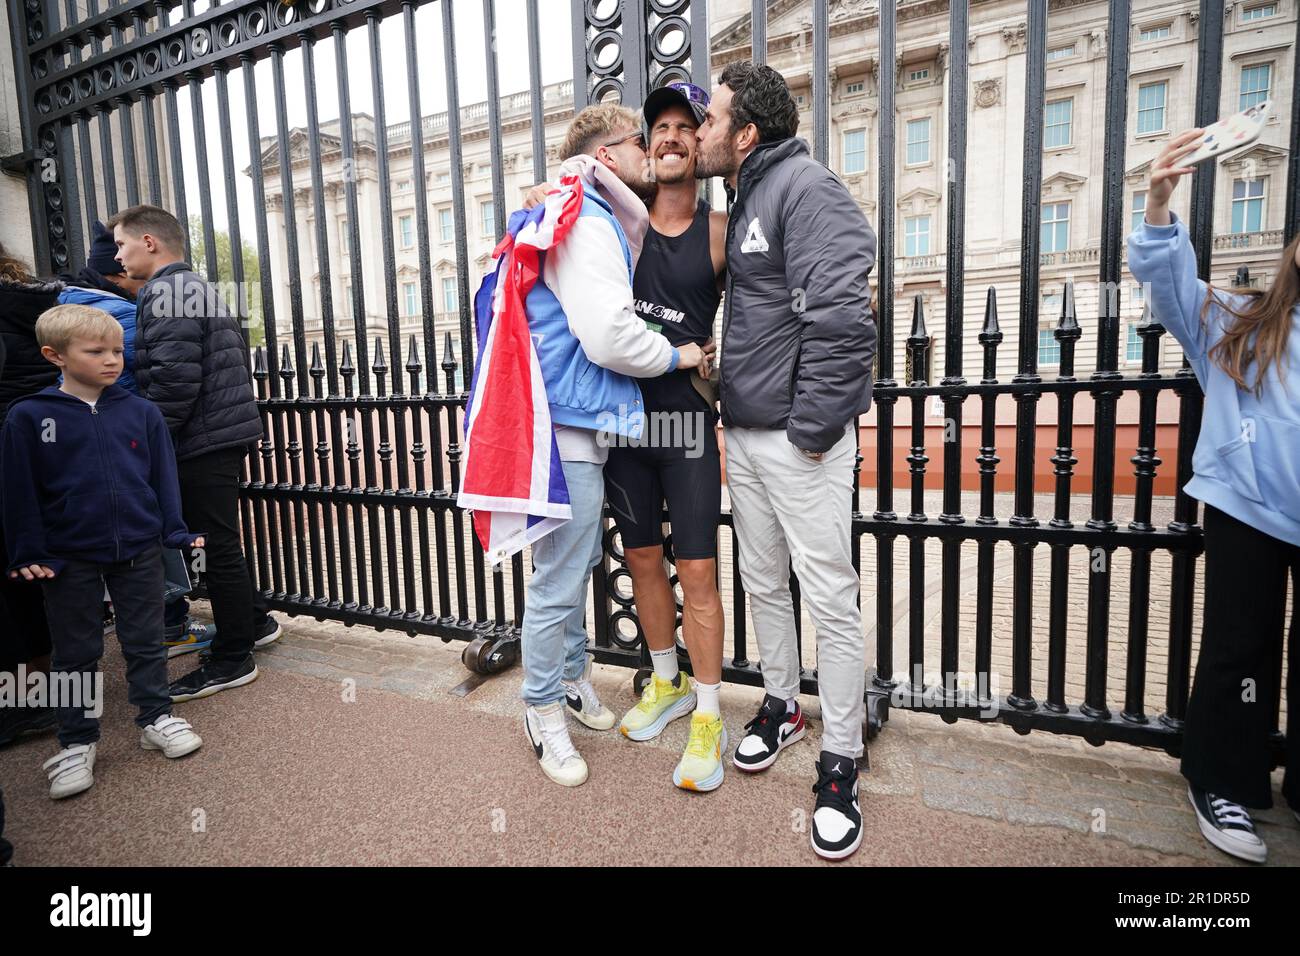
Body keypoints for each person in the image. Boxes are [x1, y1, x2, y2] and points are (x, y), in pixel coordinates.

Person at [486, 104, 711, 788]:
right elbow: (608, 334)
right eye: (641, 141)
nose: (652, 150)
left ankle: (576, 679)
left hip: (585, 420)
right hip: (573, 425)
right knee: (558, 580)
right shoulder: (587, 216)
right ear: (609, 156)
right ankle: (541, 710)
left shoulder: (584, 206)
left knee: (578, 560)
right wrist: (680, 358)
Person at [694, 61, 878, 860]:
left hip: (799, 440)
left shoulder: (806, 188)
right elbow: (773, 317)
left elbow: (843, 319)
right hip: (749, 431)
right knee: (764, 581)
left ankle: (840, 760)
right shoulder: (745, 199)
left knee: (829, 597)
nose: (697, 132)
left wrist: (808, 430)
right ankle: (780, 704)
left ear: (747, 134)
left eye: (711, 119)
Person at [1128, 127, 1300, 864]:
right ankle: (1222, 781)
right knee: (1241, 647)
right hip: (1249, 506)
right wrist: (1159, 205)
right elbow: (1172, 291)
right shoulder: (1244, 323)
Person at [1, 304, 205, 799]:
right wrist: (27, 550)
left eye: (117, 350)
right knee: (75, 652)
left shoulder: (141, 412)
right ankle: (76, 740)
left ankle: (155, 716)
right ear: (55, 355)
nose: (113, 360)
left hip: (137, 549)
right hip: (66, 556)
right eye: (96, 351)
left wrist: (174, 531)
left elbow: (163, 478)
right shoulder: (29, 417)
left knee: (145, 638)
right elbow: (18, 489)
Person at [106, 205, 279, 704]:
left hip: (198, 439)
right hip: (216, 434)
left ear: (149, 242)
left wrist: (143, 446)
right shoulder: (193, 286)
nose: (118, 255)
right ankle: (253, 624)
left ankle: (231, 658)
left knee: (215, 546)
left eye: (122, 244)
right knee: (221, 541)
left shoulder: (167, 291)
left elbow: (175, 382)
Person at [59, 219, 215, 658]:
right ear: (118, 269)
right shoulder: (123, 310)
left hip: (87, 446)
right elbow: (154, 379)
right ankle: (168, 628)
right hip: (128, 443)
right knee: (151, 534)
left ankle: (128, 627)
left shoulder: (65, 304)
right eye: (124, 252)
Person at [0, 245, 60, 748]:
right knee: (27, 577)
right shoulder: (33, 307)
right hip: (36, 459)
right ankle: (49, 688)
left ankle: (25, 702)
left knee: (13, 584)